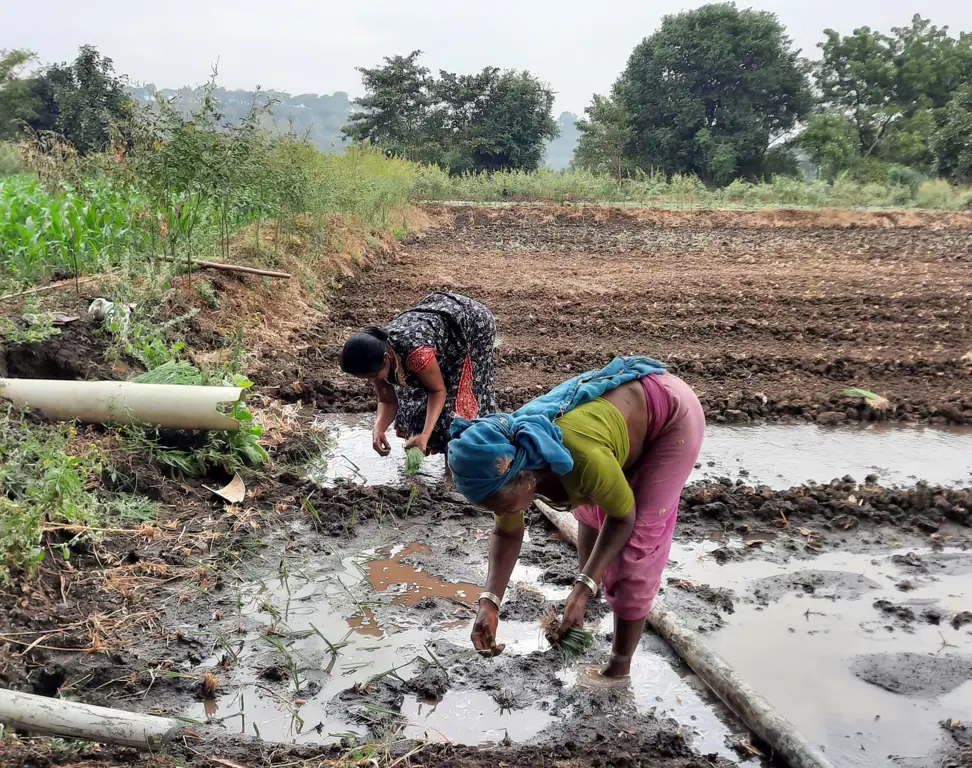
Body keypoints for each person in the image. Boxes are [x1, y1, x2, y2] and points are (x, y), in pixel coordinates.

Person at [447, 356, 704, 678]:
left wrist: (582, 588)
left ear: (527, 477)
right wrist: (489, 602)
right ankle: (585, 614)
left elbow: (622, 518)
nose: (501, 513)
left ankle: (618, 667)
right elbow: (508, 533)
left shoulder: (579, 457)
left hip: (668, 418)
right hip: (605, 434)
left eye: (501, 504)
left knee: (638, 546)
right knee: (589, 513)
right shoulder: (505, 460)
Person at [339, 292, 497, 457]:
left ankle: (457, 466)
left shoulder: (417, 355)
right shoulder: (376, 355)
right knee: (413, 406)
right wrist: (378, 430)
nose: (372, 380)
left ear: (386, 358)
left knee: (455, 408)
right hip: (439, 327)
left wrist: (425, 435)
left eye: (372, 375)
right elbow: (387, 400)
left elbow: (437, 391)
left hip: (471, 325)